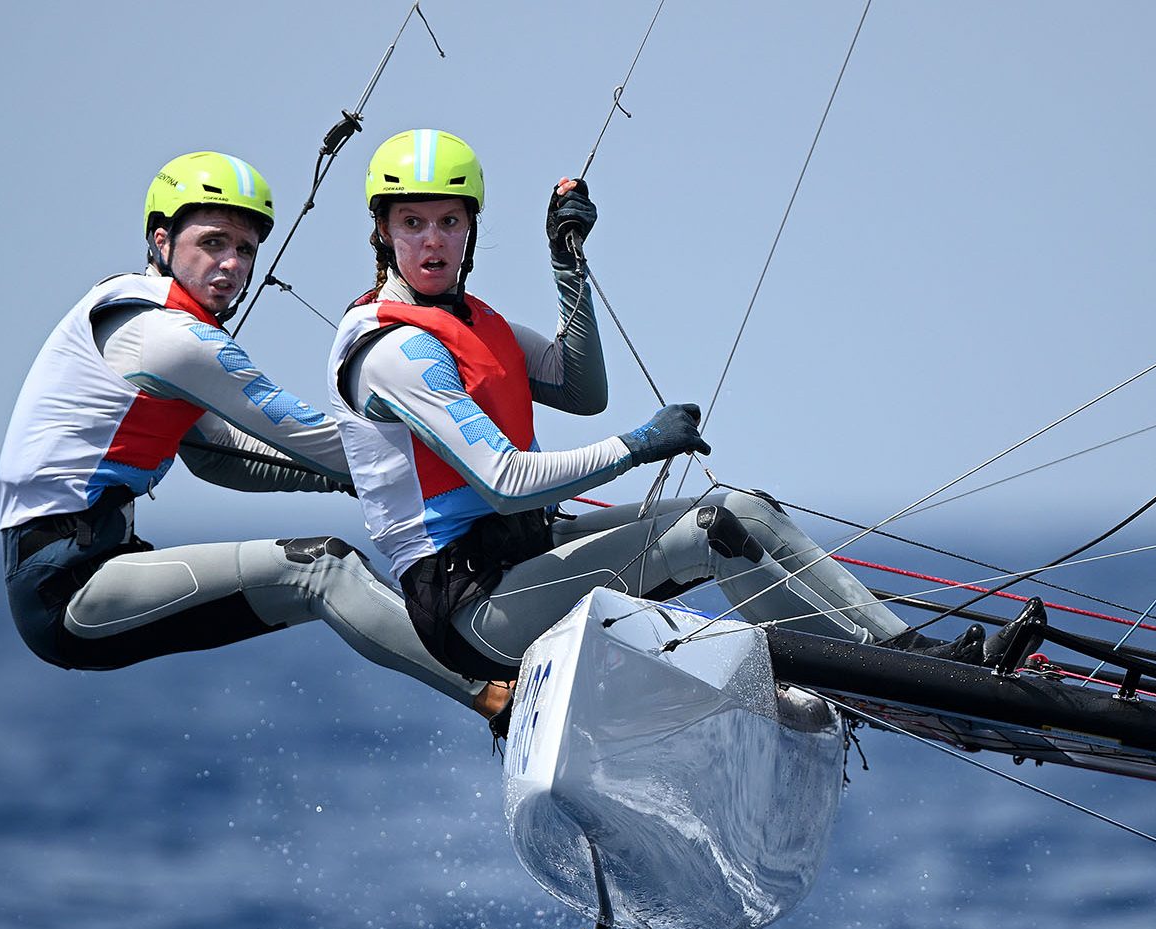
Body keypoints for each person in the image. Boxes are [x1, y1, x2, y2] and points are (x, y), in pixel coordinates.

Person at [326, 129, 994, 683]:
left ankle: (915, 657)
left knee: (744, 507)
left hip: (527, 554)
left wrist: (568, 266)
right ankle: (876, 679)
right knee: (709, 534)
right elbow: (503, 482)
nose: (433, 241)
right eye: (412, 223)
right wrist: (639, 445)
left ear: (472, 226)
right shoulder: (392, 352)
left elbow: (581, 390)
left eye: (449, 221)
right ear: (383, 232)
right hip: (473, 609)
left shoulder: (474, 322)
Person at [0, 150, 509, 721]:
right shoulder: (170, 339)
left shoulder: (139, 312)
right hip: (66, 591)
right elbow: (307, 438)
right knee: (322, 569)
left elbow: (221, 458)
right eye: (212, 243)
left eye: (245, 250)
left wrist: (356, 482)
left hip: (95, 572)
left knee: (315, 578)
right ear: (162, 241)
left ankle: (503, 676)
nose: (233, 264)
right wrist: (475, 466)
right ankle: (497, 697)